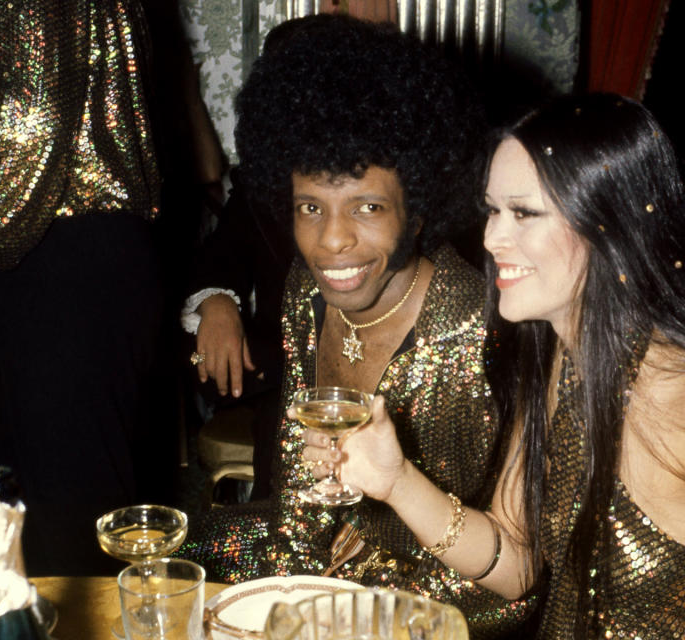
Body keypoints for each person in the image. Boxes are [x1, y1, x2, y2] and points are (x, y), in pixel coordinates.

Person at [305, 93, 685, 638]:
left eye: (524, 213)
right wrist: (395, 481)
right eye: (491, 210)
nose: (491, 239)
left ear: (611, 226)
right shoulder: (560, 360)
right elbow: (516, 565)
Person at [178, 15, 535, 636]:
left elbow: (511, 573)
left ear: (418, 210)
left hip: (457, 599)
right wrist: (302, 576)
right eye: (310, 208)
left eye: (367, 207)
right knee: (172, 565)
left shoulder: (476, 329)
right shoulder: (301, 294)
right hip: (330, 563)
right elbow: (299, 493)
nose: (332, 241)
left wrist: (362, 585)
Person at [0, 0, 165, 574]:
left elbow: (34, 117)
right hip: (47, 238)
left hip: (55, 242)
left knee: (71, 528)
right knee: (11, 509)